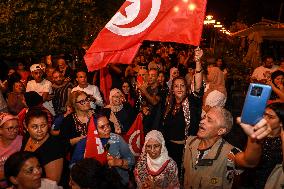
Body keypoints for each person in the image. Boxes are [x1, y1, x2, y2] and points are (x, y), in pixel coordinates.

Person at [183, 106, 272, 189]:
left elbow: (249, 162)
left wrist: (254, 138)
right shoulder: (190, 142)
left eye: (209, 120)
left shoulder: (230, 153)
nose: (202, 121)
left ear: (220, 131)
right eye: (204, 117)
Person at [162, 48, 204, 175]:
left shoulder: (192, 101)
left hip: (186, 149)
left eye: (182, 85)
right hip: (168, 149)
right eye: (176, 86)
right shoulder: (168, 104)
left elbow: (197, 86)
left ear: (186, 88)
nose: (179, 88)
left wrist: (198, 62)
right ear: (172, 90)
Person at [70, 114, 135, 186]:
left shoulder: (116, 139)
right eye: (102, 127)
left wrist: (117, 162)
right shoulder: (84, 144)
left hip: (119, 183)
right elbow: (73, 167)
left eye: (108, 125)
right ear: (93, 129)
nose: (108, 129)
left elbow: (132, 160)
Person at [21, 109, 66, 185]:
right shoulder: (27, 136)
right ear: (26, 126)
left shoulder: (53, 147)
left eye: (43, 125)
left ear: (48, 125)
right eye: (34, 127)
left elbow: (52, 182)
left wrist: (23, 181)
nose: (40, 130)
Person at [250, 103, 283, 189]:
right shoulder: (253, 133)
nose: (264, 119)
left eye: (270, 117)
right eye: (264, 114)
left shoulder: (281, 143)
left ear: (281, 123)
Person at [0, 113, 22, 188]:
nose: (15, 130)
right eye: (10, 128)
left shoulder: (23, 141)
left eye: (16, 127)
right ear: (0, 130)